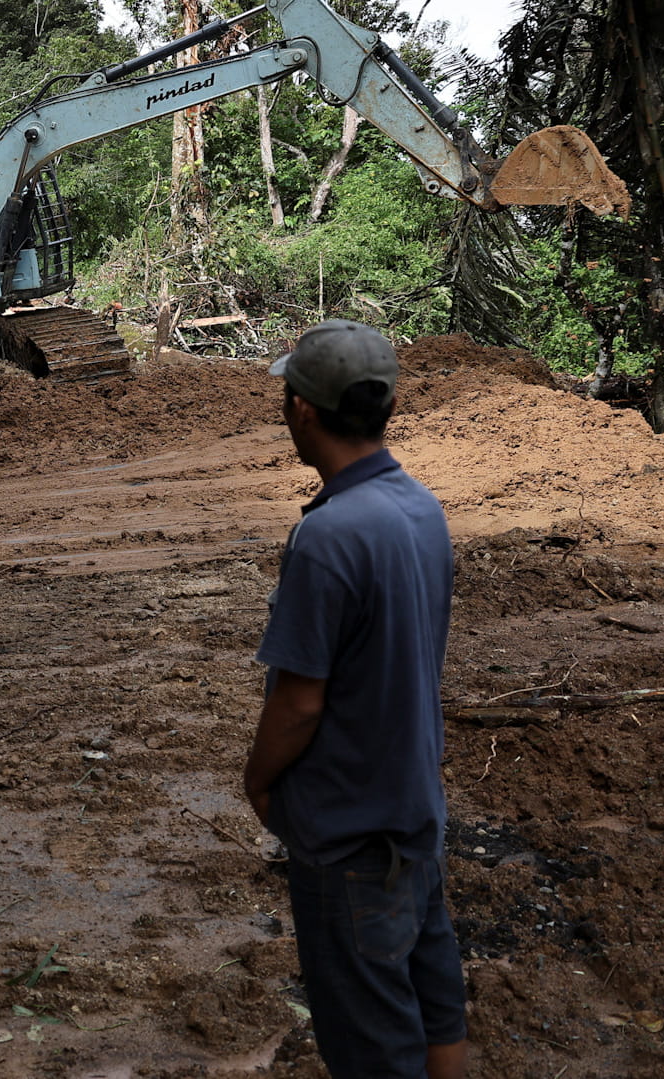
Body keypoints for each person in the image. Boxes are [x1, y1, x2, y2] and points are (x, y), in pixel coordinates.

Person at [244, 320, 467, 1078]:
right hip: (415, 820)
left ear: (304, 410)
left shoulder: (329, 536)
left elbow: (301, 701)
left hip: (349, 838)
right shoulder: (423, 510)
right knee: (436, 1012)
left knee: (374, 1046)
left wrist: (259, 780)